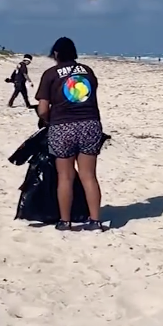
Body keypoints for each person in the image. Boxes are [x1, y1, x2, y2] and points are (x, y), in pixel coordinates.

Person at [35, 37, 104, 231]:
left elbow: (42, 109)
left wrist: (47, 120)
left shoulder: (50, 74)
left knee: (65, 176)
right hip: (90, 124)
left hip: (63, 126)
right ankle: (95, 220)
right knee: (89, 176)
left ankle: (65, 221)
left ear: (56, 54)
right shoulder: (88, 72)